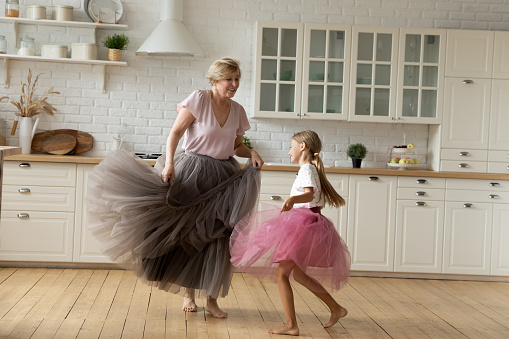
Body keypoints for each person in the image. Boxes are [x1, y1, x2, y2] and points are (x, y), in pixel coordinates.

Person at [87, 57, 263, 319]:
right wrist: (169, 164)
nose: (235, 84)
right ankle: (189, 294)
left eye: (237, 79)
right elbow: (175, 134)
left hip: (223, 176)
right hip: (192, 171)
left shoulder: (238, 110)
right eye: (229, 79)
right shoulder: (199, 99)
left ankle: (212, 299)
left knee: (218, 238)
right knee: (188, 235)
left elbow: (237, 146)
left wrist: (251, 152)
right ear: (215, 80)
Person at [230, 130, 350, 335]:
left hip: (303, 224)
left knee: (282, 274)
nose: (288, 152)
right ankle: (336, 308)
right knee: (298, 275)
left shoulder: (307, 169)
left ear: (302, 147)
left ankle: (291, 325)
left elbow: (309, 194)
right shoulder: (309, 168)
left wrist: (293, 200)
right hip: (305, 221)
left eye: (290, 147)